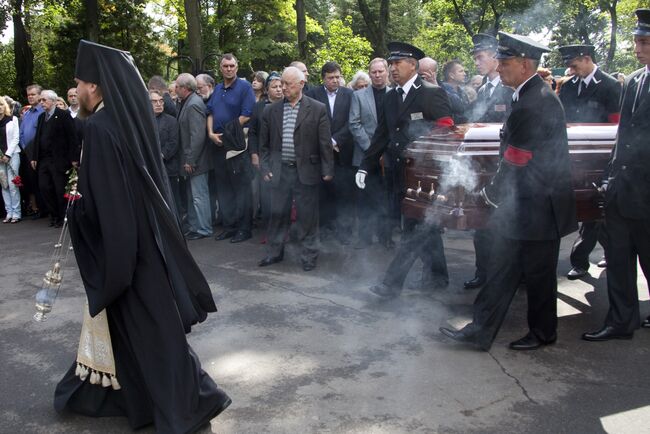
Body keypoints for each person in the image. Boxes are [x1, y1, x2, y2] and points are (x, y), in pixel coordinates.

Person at [54, 40, 231, 432]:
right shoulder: (126, 119)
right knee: (146, 333)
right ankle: (148, 404)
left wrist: (84, 219)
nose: (78, 89)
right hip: (145, 245)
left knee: (156, 336)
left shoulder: (99, 127)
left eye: (80, 82)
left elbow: (110, 205)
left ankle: (194, 403)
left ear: (95, 87)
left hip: (127, 253)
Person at [440, 32, 577, 351]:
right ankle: (480, 330)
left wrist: (488, 196)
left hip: (541, 207)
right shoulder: (525, 95)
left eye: (505, 62)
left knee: (539, 276)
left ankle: (543, 333)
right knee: (502, 268)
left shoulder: (535, 101)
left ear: (525, 64)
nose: (498, 67)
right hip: (526, 204)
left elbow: (516, 158)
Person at [355, 42, 454, 298]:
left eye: (398, 63)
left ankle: (391, 284)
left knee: (413, 227)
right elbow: (382, 135)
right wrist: (366, 166)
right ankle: (438, 277)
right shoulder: (390, 96)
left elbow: (446, 132)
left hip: (425, 175)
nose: (392, 68)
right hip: (399, 172)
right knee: (425, 226)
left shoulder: (431, 93)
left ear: (413, 65)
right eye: (391, 64)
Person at [582, 9, 650, 341]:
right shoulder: (635, 79)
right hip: (622, 190)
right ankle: (621, 321)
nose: (637, 48)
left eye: (644, 41)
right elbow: (622, 134)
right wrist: (608, 175)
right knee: (619, 260)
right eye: (636, 41)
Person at [258, 66, 334, 271]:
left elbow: (325, 142)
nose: (283, 88)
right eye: (281, 83)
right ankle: (274, 252)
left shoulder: (317, 108)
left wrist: (327, 169)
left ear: (301, 84)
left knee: (308, 216)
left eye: (287, 84)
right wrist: (264, 168)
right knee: (277, 214)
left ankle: (309, 255)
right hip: (279, 171)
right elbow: (263, 145)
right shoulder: (270, 110)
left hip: (307, 171)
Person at [558, 44, 622, 280]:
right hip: (574, 156)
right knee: (588, 211)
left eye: (574, 65)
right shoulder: (568, 87)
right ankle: (588, 259)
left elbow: (616, 125)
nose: (571, 70)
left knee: (598, 212)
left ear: (587, 59)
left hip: (600, 157)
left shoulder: (609, 86)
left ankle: (588, 258)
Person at [464, 33, 514, 291]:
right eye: (474, 57)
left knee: (503, 227)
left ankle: (506, 277)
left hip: (505, 166)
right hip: (484, 167)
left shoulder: (511, 88)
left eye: (480, 57)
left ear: (495, 57)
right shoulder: (483, 89)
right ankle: (482, 273)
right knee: (481, 226)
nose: (476, 62)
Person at [207, 54, 256, 243]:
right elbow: (209, 112)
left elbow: (247, 114)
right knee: (224, 188)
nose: (229, 69)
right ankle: (229, 226)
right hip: (217, 144)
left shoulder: (244, 88)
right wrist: (211, 133)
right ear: (220, 68)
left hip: (236, 146)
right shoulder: (218, 88)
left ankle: (244, 229)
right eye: (225, 66)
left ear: (237, 67)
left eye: (232, 66)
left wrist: (227, 132)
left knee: (241, 188)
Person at [306, 61, 354, 244]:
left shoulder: (350, 95)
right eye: (330, 77)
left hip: (343, 152)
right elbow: (309, 122)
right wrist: (327, 142)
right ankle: (325, 231)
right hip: (320, 153)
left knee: (344, 193)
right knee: (324, 194)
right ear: (323, 78)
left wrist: (335, 140)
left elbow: (352, 121)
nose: (335, 80)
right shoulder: (312, 94)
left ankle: (345, 233)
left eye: (337, 77)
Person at [349, 58, 390, 249]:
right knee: (364, 199)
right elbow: (354, 124)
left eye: (381, 71)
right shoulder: (358, 96)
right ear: (369, 72)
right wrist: (373, 151)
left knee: (386, 198)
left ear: (387, 72)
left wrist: (385, 150)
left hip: (389, 156)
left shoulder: (395, 94)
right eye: (374, 72)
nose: (377, 75)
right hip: (365, 157)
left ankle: (385, 237)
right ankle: (364, 238)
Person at [30, 90, 78, 228]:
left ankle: (62, 216)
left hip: (59, 159)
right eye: (41, 101)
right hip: (44, 159)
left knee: (59, 189)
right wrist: (34, 156)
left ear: (52, 100)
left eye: (44, 100)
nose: (41, 103)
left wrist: (74, 158)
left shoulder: (63, 115)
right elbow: (38, 138)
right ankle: (54, 214)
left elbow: (72, 137)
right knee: (44, 187)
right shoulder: (41, 118)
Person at [176, 73, 213, 240]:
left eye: (177, 86)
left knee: (199, 196)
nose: (175, 89)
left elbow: (197, 136)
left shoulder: (193, 105)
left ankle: (204, 229)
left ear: (184, 88)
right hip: (192, 160)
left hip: (197, 161)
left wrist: (190, 160)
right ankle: (195, 226)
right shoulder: (189, 102)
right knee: (193, 196)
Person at [249, 72, 283, 236]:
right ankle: (268, 229)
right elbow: (253, 132)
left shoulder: (287, 105)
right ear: (267, 90)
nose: (278, 90)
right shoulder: (259, 106)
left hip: (282, 155)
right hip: (264, 155)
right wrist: (254, 153)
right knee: (266, 193)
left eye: (280, 86)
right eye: (274, 87)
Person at [150, 89, 182, 218]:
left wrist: (160, 155)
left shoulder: (171, 121)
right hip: (151, 168)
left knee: (173, 200)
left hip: (168, 167)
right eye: (155, 101)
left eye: (161, 101)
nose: (159, 104)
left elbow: (173, 143)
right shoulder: (143, 121)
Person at [19, 84, 44, 217]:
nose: (30, 97)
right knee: (32, 182)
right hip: (28, 153)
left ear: (40, 95)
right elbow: (21, 133)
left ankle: (46, 209)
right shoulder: (27, 113)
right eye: (28, 95)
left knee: (42, 182)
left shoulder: (43, 112)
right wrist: (25, 147)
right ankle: (38, 208)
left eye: (33, 94)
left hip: (40, 152)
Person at [0, 97, 21, 223]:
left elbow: (15, 138)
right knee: (4, 185)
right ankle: (9, 212)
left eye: (1, 105)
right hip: (0, 158)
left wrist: (7, 155)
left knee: (13, 184)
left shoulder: (13, 119)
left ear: (4, 106)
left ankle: (16, 212)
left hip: (12, 155)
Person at [441, 59, 470, 124]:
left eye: (464, 71)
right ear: (451, 75)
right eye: (461, 71)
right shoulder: (441, 92)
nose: (464, 74)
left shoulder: (463, 93)